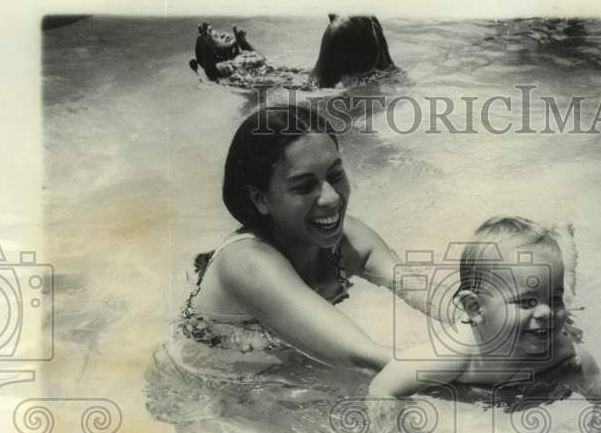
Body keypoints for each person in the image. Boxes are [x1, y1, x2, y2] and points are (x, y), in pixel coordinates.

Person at [368, 216, 601, 433]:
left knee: (569, 291)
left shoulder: (564, 353)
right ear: (474, 307)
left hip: (512, 331)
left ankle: (564, 237)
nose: (546, 312)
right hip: (482, 330)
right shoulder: (456, 353)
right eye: (526, 302)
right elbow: (384, 389)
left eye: (552, 300)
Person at [181, 103, 429, 369]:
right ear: (260, 199)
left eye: (335, 175)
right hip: (210, 394)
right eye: (304, 186)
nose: (332, 197)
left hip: (283, 375)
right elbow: (364, 356)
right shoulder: (246, 262)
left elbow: (435, 297)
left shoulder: (350, 241)